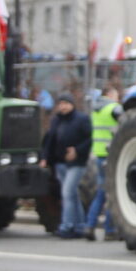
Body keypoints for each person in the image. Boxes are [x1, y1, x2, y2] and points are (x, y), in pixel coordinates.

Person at [40, 93, 93, 239]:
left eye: (66, 103)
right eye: (60, 104)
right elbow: (50, 140)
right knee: (73, 195)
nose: (62, 106)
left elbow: (89, 139)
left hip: (76, 163)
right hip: (60, 163)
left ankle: (67, 226)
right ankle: (80, 225)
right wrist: (45, 157)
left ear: (72, 105)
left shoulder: (81, 119)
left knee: (67, 193)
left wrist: (77, 150)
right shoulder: (56, 120)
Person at [84, 87, 123, 241]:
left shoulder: (95, 111)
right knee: (111, 193)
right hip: (111, 154)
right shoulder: (114, 108)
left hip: (99, 154)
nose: (117, 98)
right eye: (116, 94)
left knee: (101, 193)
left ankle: (90, 225)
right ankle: (110, 229)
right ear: (110, 95)